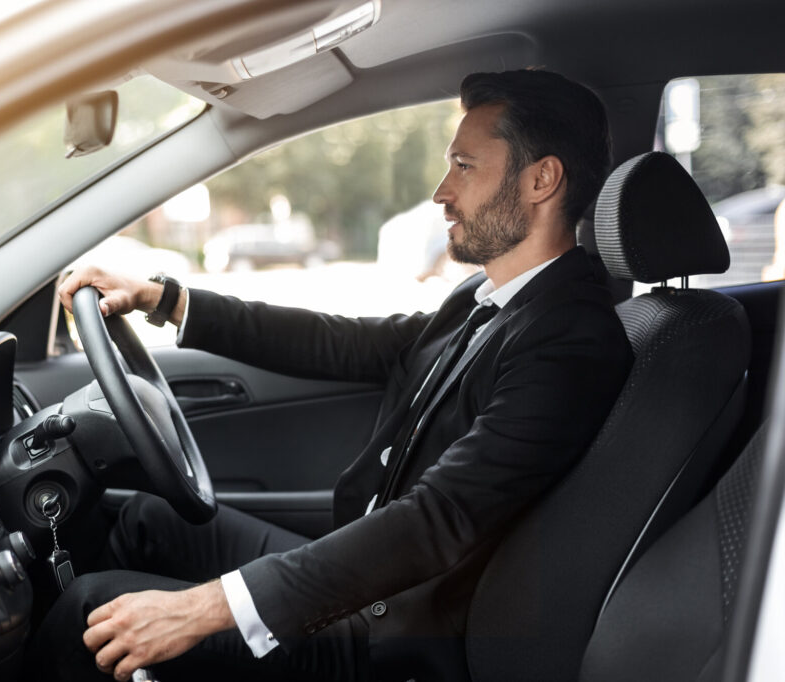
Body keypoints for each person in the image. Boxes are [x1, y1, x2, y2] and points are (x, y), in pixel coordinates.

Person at [33, 69, 632, 682]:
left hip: (390, 638)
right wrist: (163, 298)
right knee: (141, 519)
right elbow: (341, 342)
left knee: (92, 612)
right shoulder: (488, 297)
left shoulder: (570, 339)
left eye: (464, 166)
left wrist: (200, 610)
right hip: (370, 586)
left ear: (541, 179)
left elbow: (439, 518)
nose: (441, 191)